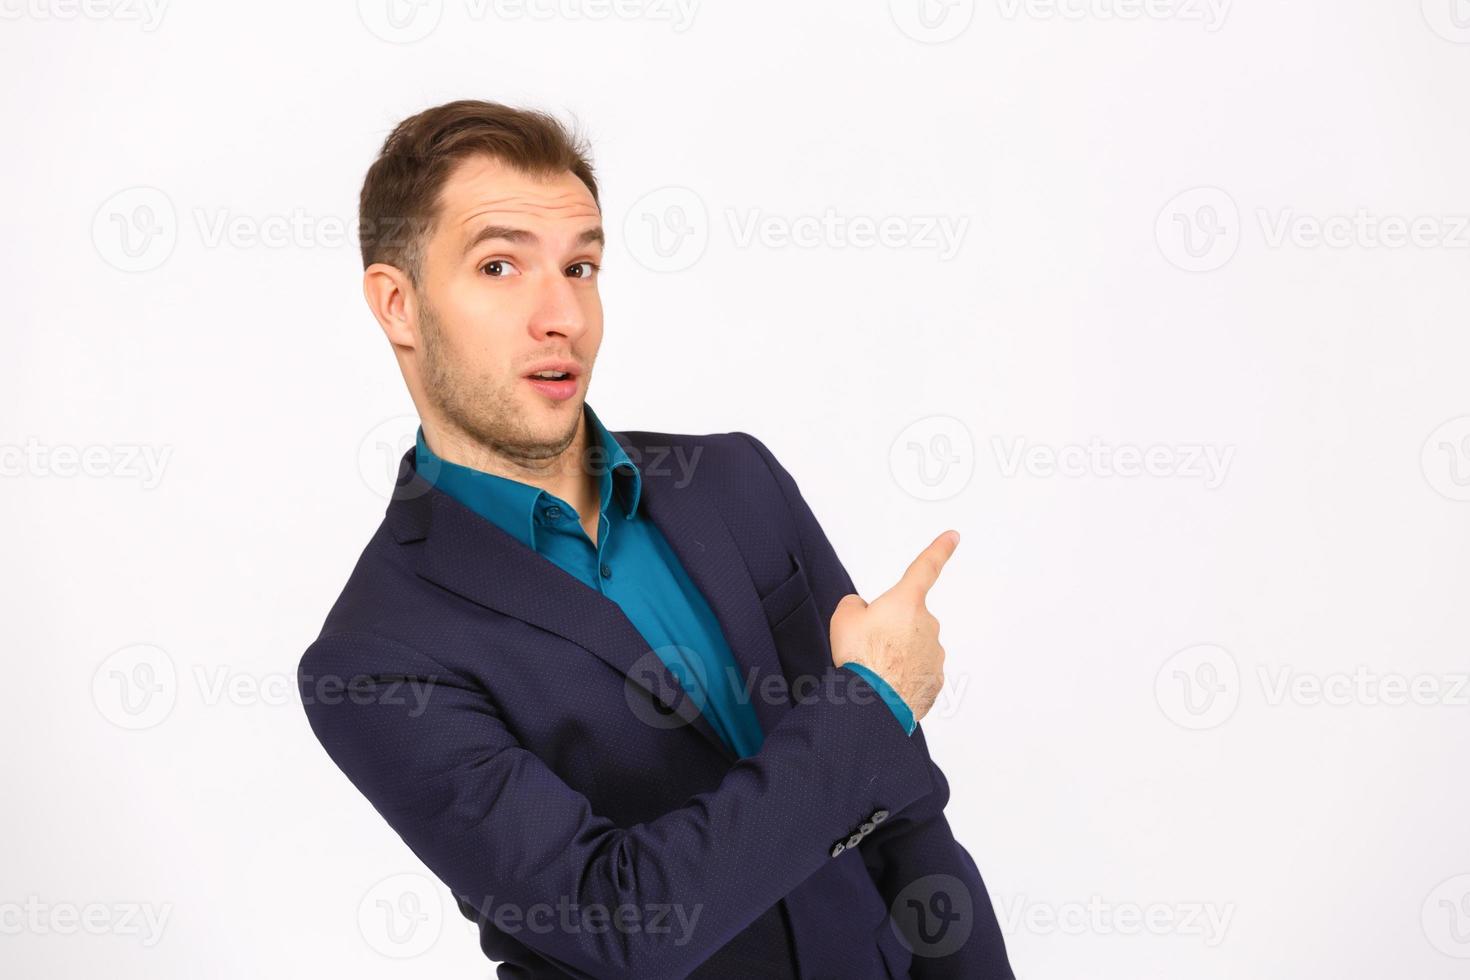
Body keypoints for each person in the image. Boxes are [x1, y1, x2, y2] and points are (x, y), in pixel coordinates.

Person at [297, 98, 1014, 979]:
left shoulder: (737, 482)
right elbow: (624, 925)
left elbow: (906, 817)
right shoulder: (374, 659)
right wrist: (872, 701)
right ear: (397, 304)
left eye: (581, 264)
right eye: (499, 266)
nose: (562, 313)